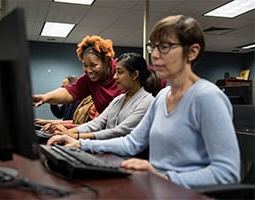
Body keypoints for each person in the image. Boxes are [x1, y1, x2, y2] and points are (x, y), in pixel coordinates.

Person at [46, 15, 241, 189]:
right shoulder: (162, 97)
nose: (155, 55)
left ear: (192, 52)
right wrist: (79, 145)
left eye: (164, 47)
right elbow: (132, 143)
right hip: (157, 188)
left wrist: (165, 177)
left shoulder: (207, 97)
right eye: (153, 47)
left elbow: (227, 172)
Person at [43, 52, 157, 140]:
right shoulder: (118, 100)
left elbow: (119, 132)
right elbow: (97, 123)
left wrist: (75, 136)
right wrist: (69, 132)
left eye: (120, 72)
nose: (115, 77)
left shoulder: (147, 101)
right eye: (115, 72)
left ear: (135, 75)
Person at [33, 35, 124, 114]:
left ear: (106, 61)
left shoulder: (122, 69)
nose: (88, 70)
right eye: (85, 65)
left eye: (93, 65)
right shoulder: (89, 80)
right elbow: (69, 92)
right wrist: (45, 97)